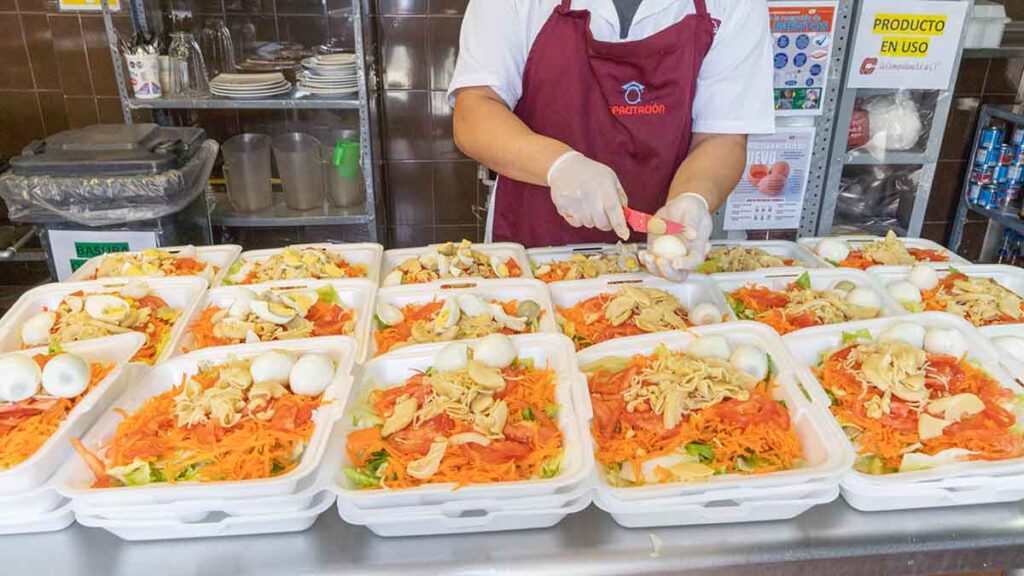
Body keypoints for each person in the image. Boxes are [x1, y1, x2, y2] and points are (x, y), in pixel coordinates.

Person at [448, 0, 775, 281]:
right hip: (533, 245)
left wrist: (694, 197)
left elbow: (721, 137)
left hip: (656, 259)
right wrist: (560, 165)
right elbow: (474, 111)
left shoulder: (733, 5)